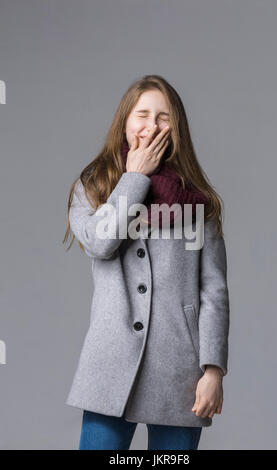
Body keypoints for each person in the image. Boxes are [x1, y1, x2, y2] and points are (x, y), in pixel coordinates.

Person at [63, 74, 230, 450]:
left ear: (177, 128)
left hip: (180, 371)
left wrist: (213, 370)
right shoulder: (93, 187)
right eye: (142, 115)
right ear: (125, 121)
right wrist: (134, 178)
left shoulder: (198, 204)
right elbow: (100, 243)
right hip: (109, 366)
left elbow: (213, 292)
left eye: (163, 117)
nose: (151, 126)